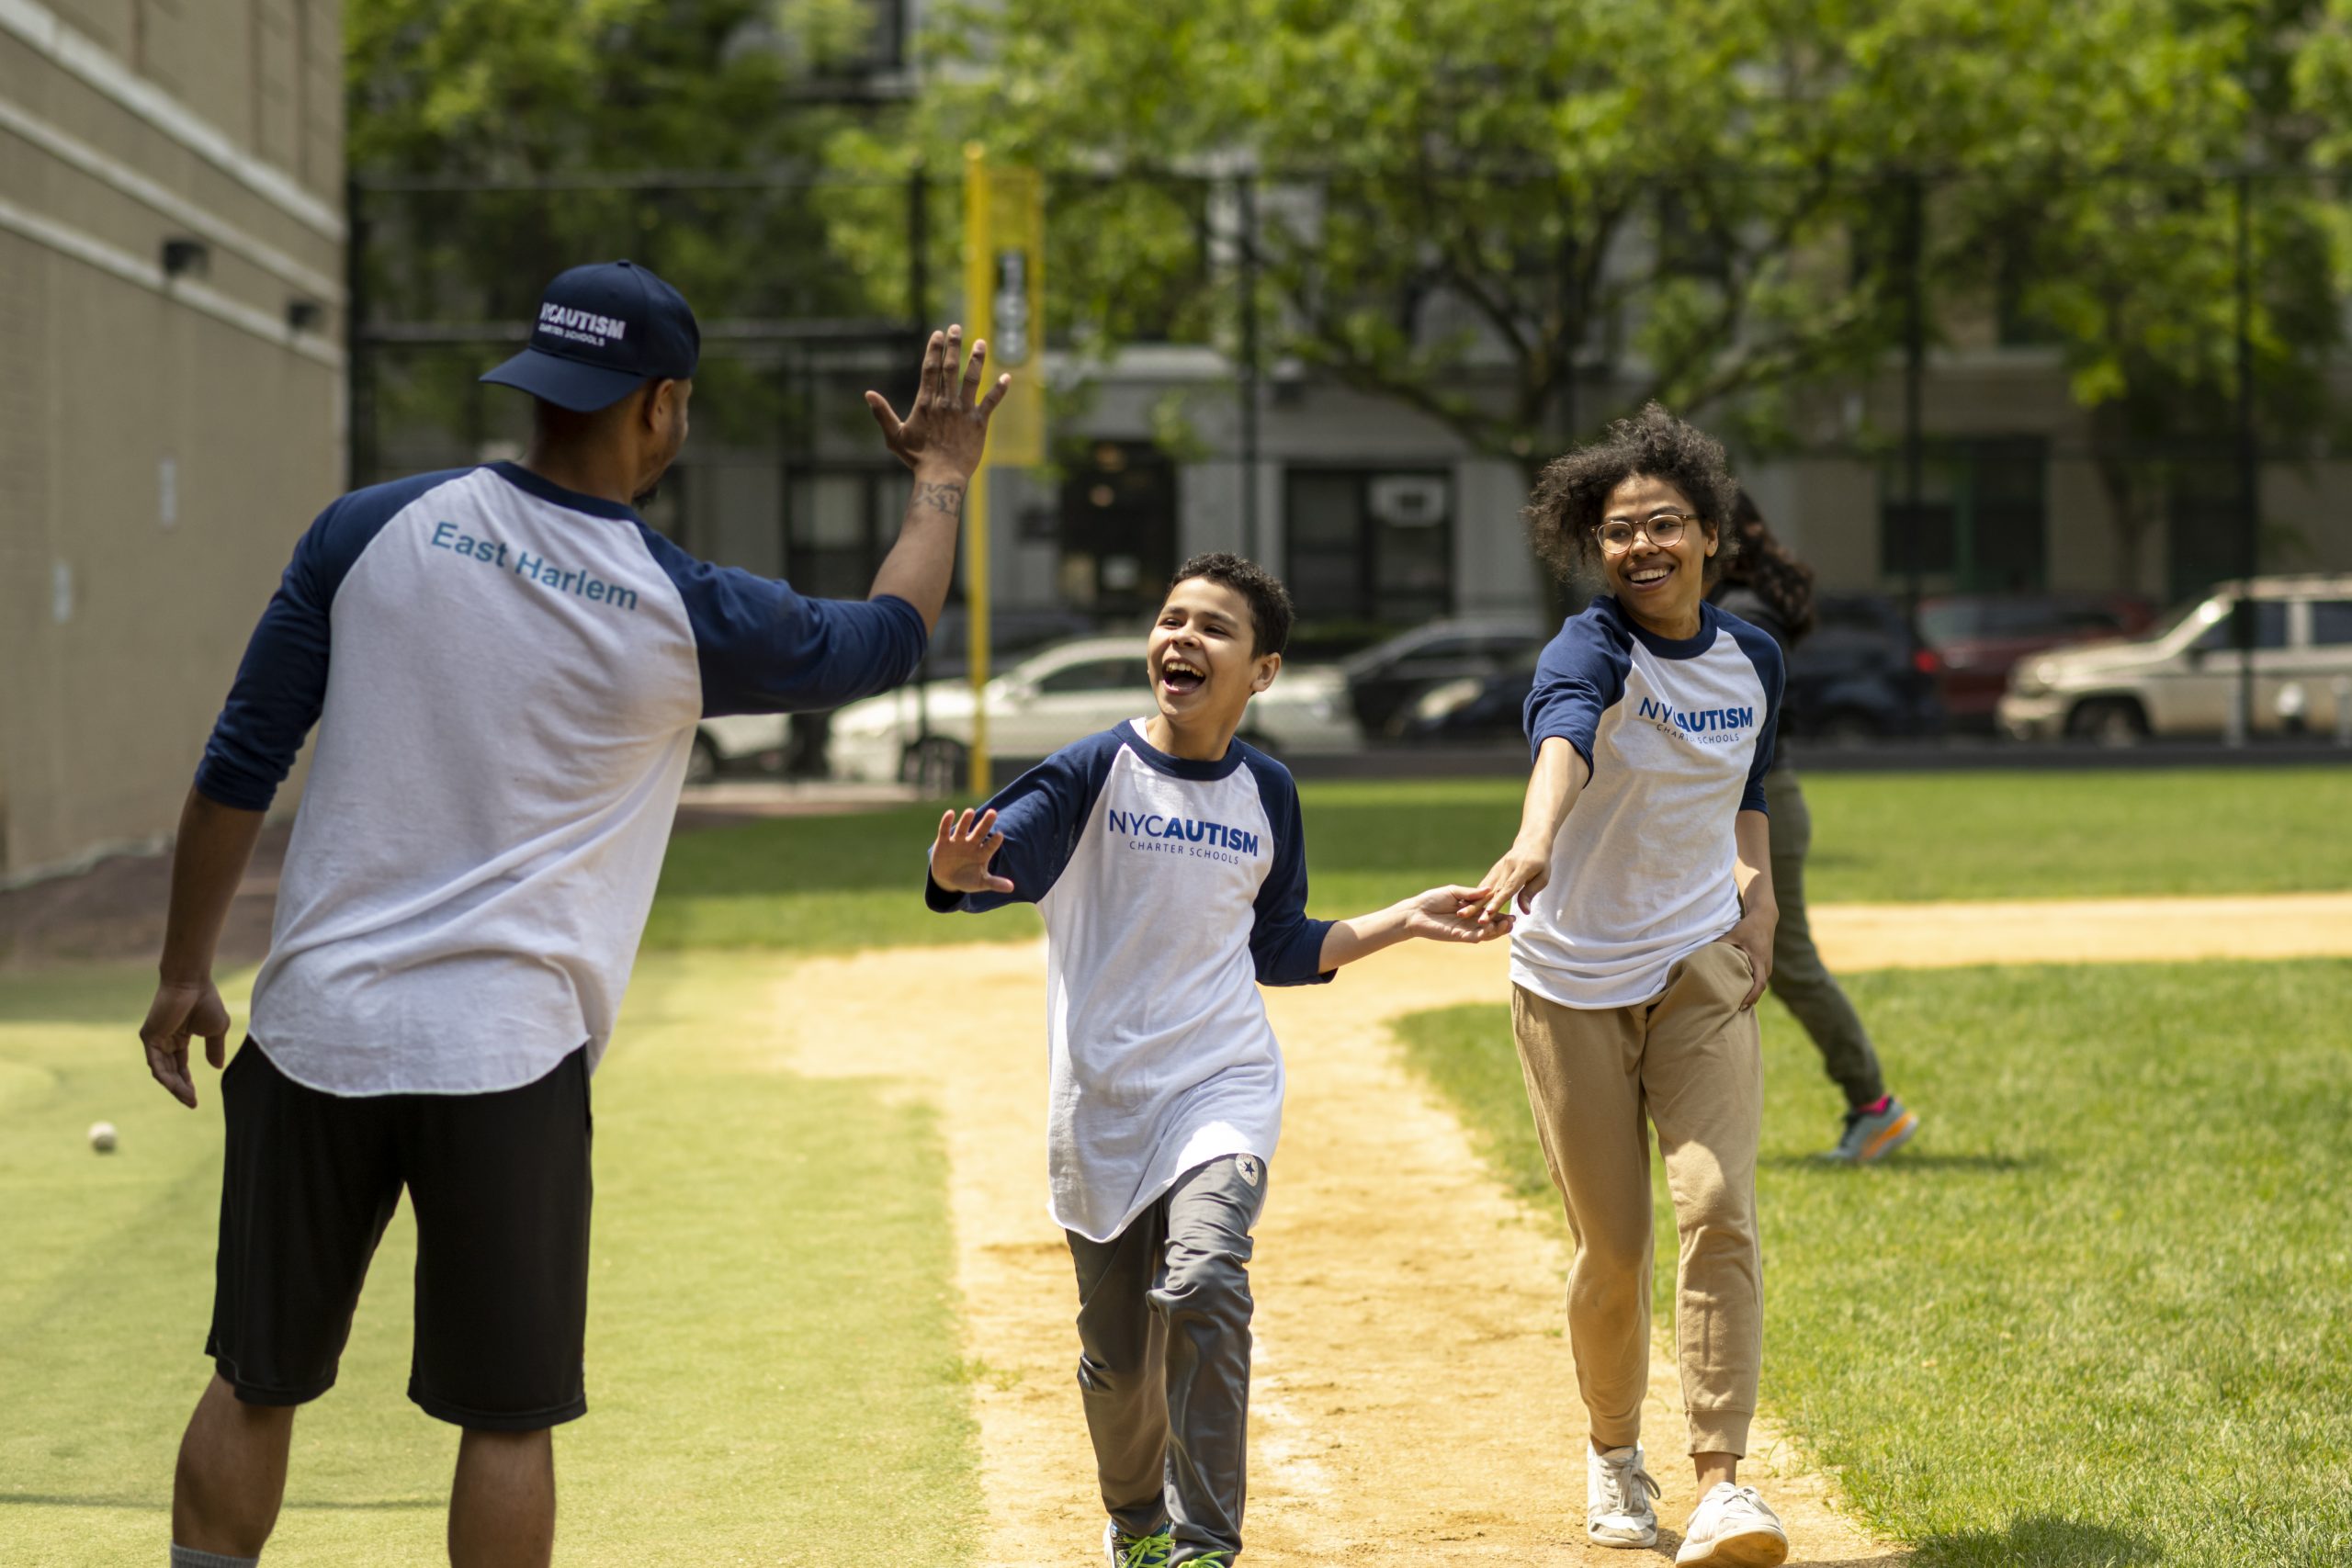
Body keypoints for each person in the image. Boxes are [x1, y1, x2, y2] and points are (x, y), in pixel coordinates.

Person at [135, 260, 1008, 1568]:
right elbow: (889, 635)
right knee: (505, 1417)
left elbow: (236, 766)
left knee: (256, 1375)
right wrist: (941, 476)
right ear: (661, 405)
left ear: (538, 383)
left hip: (315, 1032)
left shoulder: (365, 529)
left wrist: (182, 973)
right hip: (509, 1052)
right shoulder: (682, 606)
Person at [924, 553, 1508, 1568]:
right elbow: (997, 856)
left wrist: (1401, 920)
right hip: (1100, 1103)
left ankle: (1205, 1546)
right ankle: (1136, 1523)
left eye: (1214, 628)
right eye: (1170, 619)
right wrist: (959, 870)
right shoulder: (1091, 772)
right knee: (1115, 1370)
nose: (1181, 638)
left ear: (1262, 671)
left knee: (1203, 1283)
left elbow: (1274, 942)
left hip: (1220, 1084)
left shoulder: (1266, 789)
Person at [1475, 405, 1791, 1566]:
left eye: (1664, 524)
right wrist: (1535, 841)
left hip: (1699, 966)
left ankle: (1721, 1484)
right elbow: (1564, 733)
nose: (1641, 546)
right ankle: (1615, 1456)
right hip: (1570, 980)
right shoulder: (1588, 646)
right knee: (1614, 1250)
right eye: (1616, 531)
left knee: (1717, 1210)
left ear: (1710, 535)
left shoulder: (1753, 657)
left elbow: (1747, 780)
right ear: (1592, 547)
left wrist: (1756, 891)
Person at [1710, 491, 1920, 1164]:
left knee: (1789, 962)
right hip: (1739, 801)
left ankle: (1874, 1104)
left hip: (1759, 803)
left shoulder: (1741, 615)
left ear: (1717, 536)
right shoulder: (1741, 606)